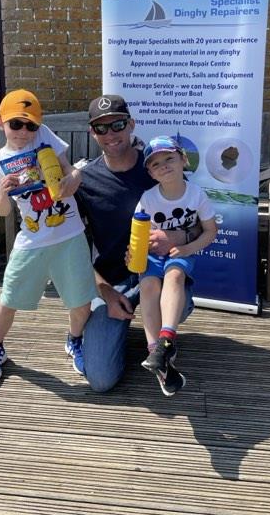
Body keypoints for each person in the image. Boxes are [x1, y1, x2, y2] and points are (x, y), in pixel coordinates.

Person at [75, 95, 203, 394]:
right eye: (101, 128)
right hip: (113, 283)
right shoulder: (85, 179)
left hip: (157, 275)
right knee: (101, 381)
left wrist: (177, 237)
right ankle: (101, 335)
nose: (111, 134)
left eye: (118, 124)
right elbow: (71, 246)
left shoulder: (158, 165)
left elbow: (199, 226)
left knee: (176, 295)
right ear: (92, 133)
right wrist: (104, 291)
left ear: (131, 124)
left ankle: (161, 344)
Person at [0, 88, 98, 386]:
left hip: (69, 232)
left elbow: (69, 170)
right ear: (0, 122)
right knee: (9, 299)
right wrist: (4, 192)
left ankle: (75, 340)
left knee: (80, 299)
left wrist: (74, 177)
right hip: (31, 240)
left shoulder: (45, 136)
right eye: (16, 123)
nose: (24, 131)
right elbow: (3, 211)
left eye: (30, 124)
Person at [133, 135, 217, 395]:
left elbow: (210, 231)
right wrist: (134, 256)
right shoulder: (147, 198)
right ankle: (155, 354)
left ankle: (166, 340)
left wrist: (188, 248)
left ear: (183, 159)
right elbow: (136, 233)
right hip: (153, 254)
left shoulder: (196, 194)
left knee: (175, 274)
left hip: (180, 252)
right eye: (155, 164)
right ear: (149, 172)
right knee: (147, 286)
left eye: (169, 158)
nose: (164, 166)